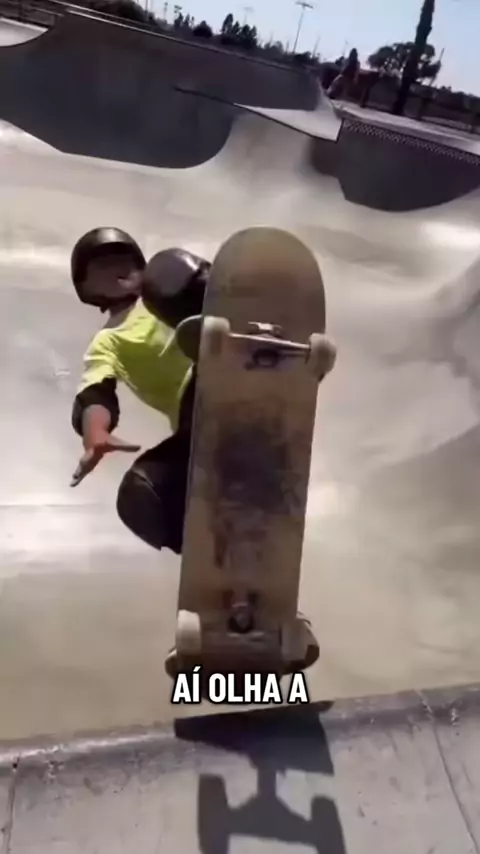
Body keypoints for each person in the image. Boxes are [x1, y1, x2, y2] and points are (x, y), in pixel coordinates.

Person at [69, 226, 320, 674]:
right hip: (200, 429)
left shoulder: (158, 287)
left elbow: (171, 278)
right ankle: (240, 586)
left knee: (167, 273)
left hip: (221, 356)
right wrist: (96, 433)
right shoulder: (107, 343)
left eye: (124, 261)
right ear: (87, 289)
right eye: (103, 268)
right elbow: (95, 394)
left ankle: (254, 335)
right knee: (140, 495)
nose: (118, 270)